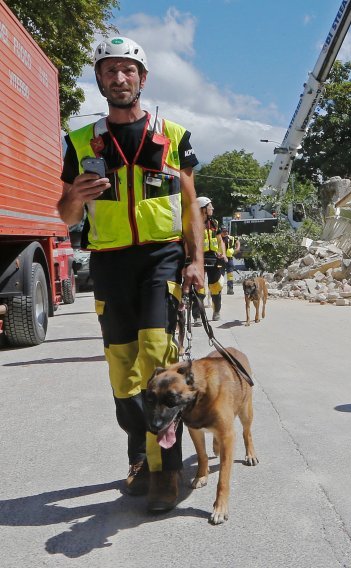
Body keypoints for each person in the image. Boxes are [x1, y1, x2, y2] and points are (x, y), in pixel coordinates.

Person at [57, 36, 205, 512]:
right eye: (109, 70)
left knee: (159, 362)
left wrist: (196, 260)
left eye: (128, 70)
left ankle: (168, 472)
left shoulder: (174, 135)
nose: (119, 78)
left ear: (143, 79)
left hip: (161, 258)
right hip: (109, 261)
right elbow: (63, 216)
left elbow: (189, 206)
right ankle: (139, 457)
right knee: (123, 371)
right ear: (99, 79)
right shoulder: (80, 142)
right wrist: (76, 198)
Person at [192, 196, 225, 324]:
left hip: (214, 259)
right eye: (210, 206)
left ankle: (216, 311)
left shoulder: (215, 223)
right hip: (198, 259)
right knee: (199, 289)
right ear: (203, 209)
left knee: (216, 287)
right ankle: (197, 316)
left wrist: (223, 254)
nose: (212, 208)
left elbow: (220, 240)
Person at [219, 225, 240, 295]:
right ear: (221, 231)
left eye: (226, 231)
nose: (225, 233)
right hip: (221, 259)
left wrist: (237, 249)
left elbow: (237, 241)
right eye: (224, 231)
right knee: (220, 275)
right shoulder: (219, 238)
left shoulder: (231, 238)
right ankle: (219, 289)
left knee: (230, 275)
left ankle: (230, 289)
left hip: (229, 258)